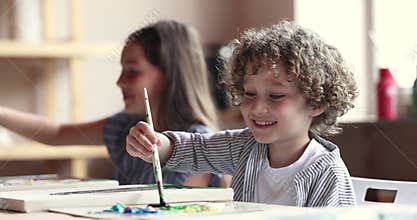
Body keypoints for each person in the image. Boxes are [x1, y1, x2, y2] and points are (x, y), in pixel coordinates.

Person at [126, 20, 358, 207]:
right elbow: (197, 150)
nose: (257, 108)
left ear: (316, 103)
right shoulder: (244, 146)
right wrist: (157, 145)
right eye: (249, 94)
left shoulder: (328, 174)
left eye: (276, 96)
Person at [0, 20, 220, 186]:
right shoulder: (125, 126)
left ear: (171, 75)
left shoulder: (199, 147)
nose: (119, 82)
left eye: (132, 71)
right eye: (122, 70)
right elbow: (55, 133)